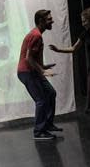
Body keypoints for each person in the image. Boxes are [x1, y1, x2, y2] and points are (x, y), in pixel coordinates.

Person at [17, 9, 62, 140]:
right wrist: (42, 71)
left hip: (33, 71)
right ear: (41, 21)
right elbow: (28, 58)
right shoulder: (36, 35)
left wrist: (43, 67)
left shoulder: (37, 34)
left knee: (51, 93)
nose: (52, 20)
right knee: (41, 100)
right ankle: (39, 132)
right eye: (49, 19)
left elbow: (32, 58)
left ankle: (48, 124)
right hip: (26, 72)